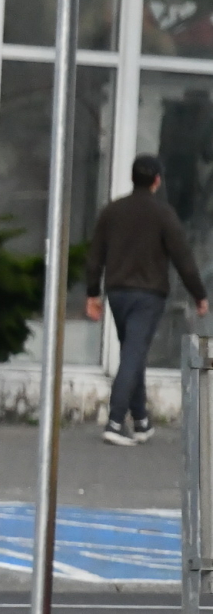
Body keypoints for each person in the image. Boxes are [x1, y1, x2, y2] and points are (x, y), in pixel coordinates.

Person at [83, 154, 209, 445]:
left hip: (117, 293)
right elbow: (183, 258)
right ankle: (115, 421)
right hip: (148, 295)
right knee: (133, 354)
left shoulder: (112, 212)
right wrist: (199, 294)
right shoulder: (163, 214)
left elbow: (95, 256)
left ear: (132, 178)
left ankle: (141, 421)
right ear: (157, 181)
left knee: (132, 351)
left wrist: (92, 293)